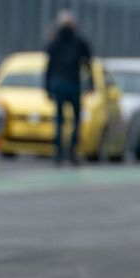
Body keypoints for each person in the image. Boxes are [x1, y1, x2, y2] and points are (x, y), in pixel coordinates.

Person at [42, 10, 93, 167]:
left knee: (59, 120)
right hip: (73, 84)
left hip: (58, 84)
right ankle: (71, 152)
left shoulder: (54, 42)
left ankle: (58, 154)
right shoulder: (79, 42)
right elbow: (87, 64)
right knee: (76, 119)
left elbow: (49, 67)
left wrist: (47, 87)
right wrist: (91, 83)